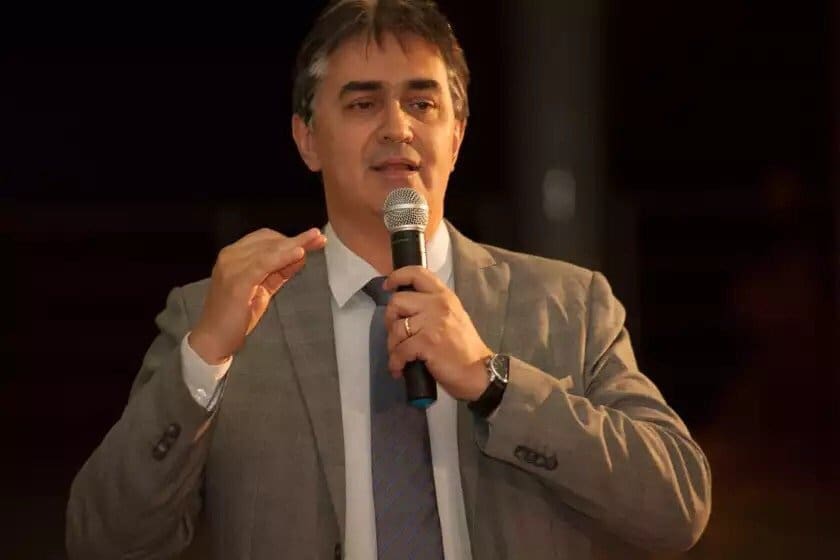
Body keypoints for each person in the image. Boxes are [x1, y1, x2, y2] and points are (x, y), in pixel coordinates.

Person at [66, 1, 711, 558]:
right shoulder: (219, 315)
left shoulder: (569, 304)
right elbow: (103, 540)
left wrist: (492, 382)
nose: (398, 127)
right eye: (363, 102)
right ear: (307, 140)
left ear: (456, 137)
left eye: (422, 103)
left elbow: (677, 507)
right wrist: (203, 361)